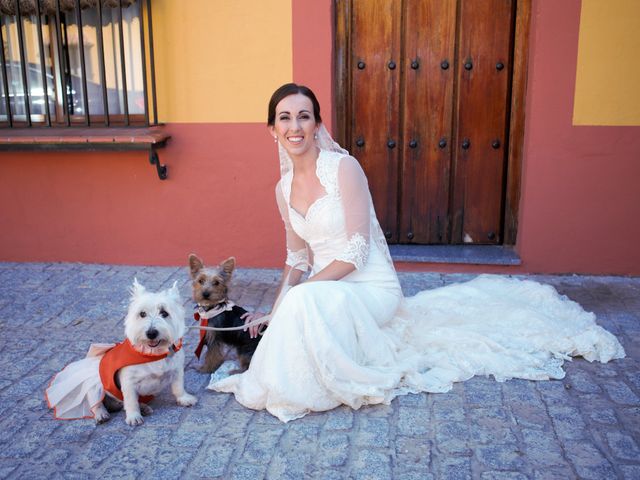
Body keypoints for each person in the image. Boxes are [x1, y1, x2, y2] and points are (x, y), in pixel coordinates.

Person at [208, 83, 625, 422]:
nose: (295, 125)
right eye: (285, 117)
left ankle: (317, 386)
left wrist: (297, 299)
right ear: (272, 129)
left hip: (369, 286)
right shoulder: (282, 192)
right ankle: (282, 383)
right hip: (325, 291)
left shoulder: (343, 169)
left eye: (304, 116)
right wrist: (276, 307)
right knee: (301, 306)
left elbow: (355, 251)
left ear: (318, 125)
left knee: (306, 303)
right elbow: (297, 258)